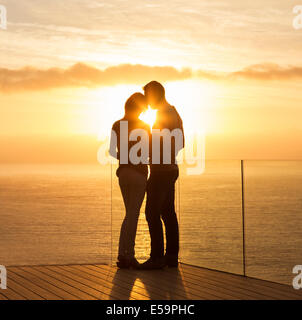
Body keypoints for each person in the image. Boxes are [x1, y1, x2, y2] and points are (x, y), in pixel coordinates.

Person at [139, 81, 184, 270]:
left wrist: (149, 149)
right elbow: (180, 142)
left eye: (148, 96)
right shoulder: (171, 112)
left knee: (152, 213)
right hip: (169, 169)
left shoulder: (165, 114)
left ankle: (157, 257)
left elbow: (173, 142)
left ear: (156, 94)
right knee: (167, 213)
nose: (146, 101)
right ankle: (171, 257)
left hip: (161, 171)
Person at [109, 93, 150, 269]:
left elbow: (112, 151)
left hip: (123, 173)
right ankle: (129, 255)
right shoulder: (144, 126)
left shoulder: (117, 125)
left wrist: (125, 157)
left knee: (129, 214)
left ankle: (121, 254)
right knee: (133, 214)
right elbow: (150, 150)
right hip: (139, 173)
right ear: (139, 108)